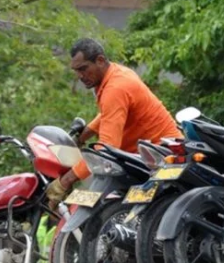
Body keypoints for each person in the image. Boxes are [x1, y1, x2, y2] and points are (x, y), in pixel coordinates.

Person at [44, 37, 183, 206]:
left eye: (83, 69)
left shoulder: (115, 89)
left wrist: (65, 181)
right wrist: (83, 136)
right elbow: (109, 114)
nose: (80, 76)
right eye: (76, 71)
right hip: (150, 157)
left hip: (160, 161)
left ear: (100, 60)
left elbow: (106, 151)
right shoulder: (116, 73)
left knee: (90, 205)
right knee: (89, 201)